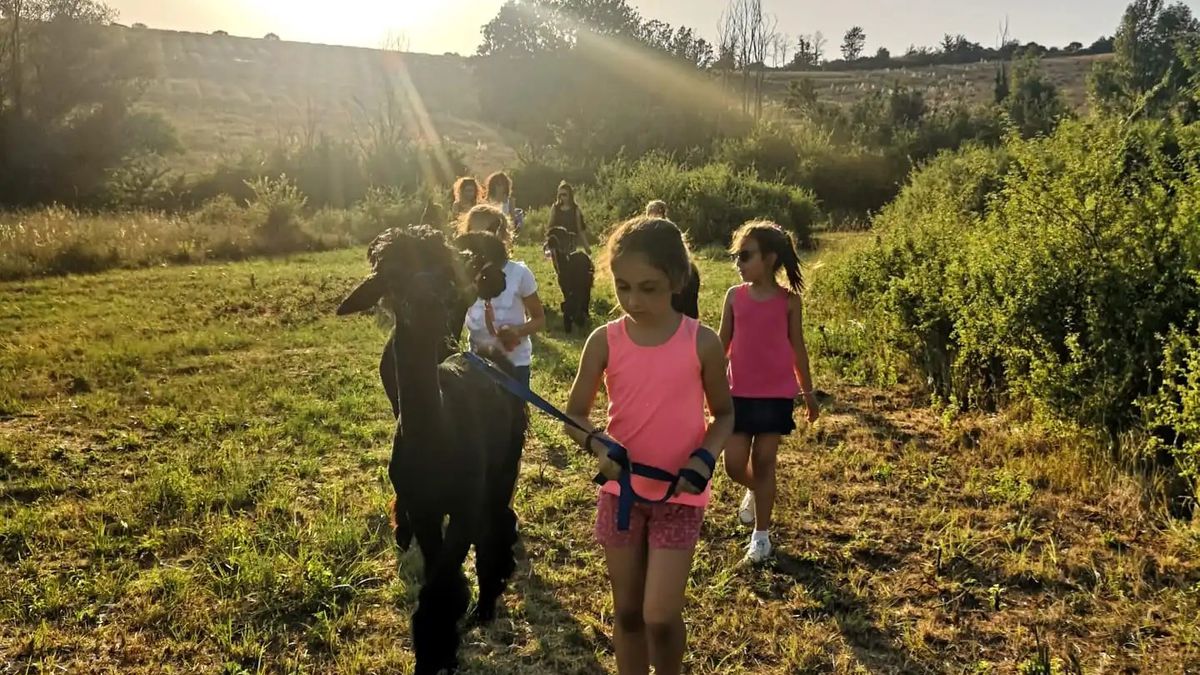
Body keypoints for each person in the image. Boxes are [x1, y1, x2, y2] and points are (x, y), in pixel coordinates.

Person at [564, 217, 735, 675]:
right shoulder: (604, 340)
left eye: (649, 288)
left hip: (680, 497)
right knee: (627, 613)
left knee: (659, 615)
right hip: (621, 496)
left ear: (677, 281)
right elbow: (574, 416)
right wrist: (598, 445)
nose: (633, 301)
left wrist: (704, 457)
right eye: (623, 287)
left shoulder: (703, 342)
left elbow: (726, 414)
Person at [718, 221, 820, 564]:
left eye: (745, 255)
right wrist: (706, 381)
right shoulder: (734, 297)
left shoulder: (789, 302)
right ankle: (755, 489)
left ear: (770, 258)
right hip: (737, 395)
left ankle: (761, 537)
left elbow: (798, 349)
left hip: (776, 396)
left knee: (764, 461)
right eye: (736, 256)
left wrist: (807, 393)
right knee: (733, 465)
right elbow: (722, 345)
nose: (739, 263)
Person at [458, 204, 545, 388]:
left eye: (489, 231)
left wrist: (517, 331)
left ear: (502, 234)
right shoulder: (464, 277)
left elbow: (539, 319)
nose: (482, 239)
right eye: (475, 233)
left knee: (512, 416)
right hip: (477, 363)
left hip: (514, 365)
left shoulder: (520, 273)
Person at [548, 180, 591, 253]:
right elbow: (550, 227)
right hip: (557, 241)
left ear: (569, 195)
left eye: (564, 194)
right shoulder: (555, 208)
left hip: (570, 241)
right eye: (560, 195)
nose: (562, 197)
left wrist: (586, 246)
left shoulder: (575, 209)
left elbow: (580, 229)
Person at [485, 171, 525, 235]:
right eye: (497, 184)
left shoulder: (510, 201)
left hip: (505, 229)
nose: (500, 187)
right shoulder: (487, 201)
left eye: (502, 184)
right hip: (490, 229)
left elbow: (512, 218)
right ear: (492, 185)